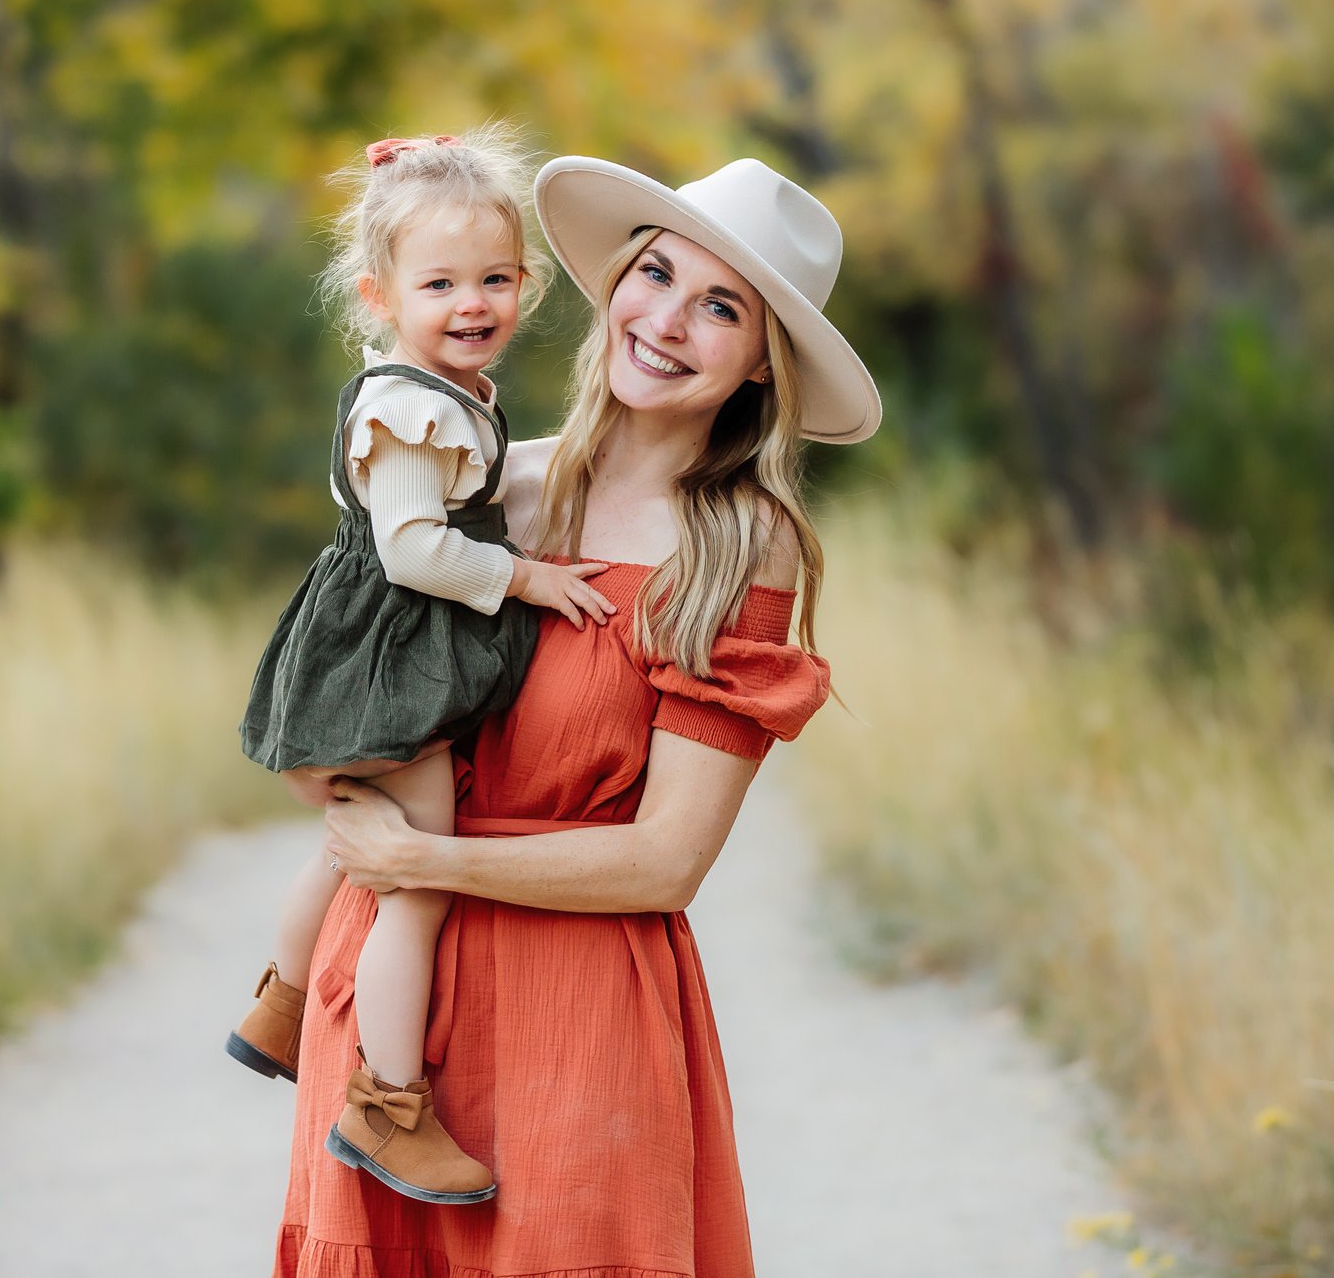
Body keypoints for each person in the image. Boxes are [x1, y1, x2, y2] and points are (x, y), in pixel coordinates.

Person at [276, 155, 883, 1277]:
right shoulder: (475, 488)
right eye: (655, 273)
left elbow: (662, 862)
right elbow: (332, 725)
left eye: (721, 306)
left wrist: (420, 853)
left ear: (763, 363)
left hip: (579, 1015)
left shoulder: (742, 544)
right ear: (611, 286)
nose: (668, 319)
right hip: (390, 1015)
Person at [229, 126, 618, 1206]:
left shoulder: (444, 389)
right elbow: (411, 547)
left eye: (494, 277)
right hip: (394, 653)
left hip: (385, 645)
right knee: (413, 879)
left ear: (528, 286)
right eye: (439, 281)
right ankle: (388, 1101)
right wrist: (525, 578)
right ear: (379, 292)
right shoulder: (412, 406)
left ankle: (281, 1002)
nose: (471, 301)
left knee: (355, 841)